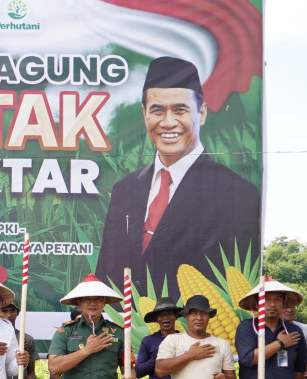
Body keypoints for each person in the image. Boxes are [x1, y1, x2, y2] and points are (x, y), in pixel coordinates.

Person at [94, 56, 261, 296]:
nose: (168, 122)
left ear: (201, 113)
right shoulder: (125, 189)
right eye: (157, 111)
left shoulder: (238, 193)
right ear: (144, 114)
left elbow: (239, 283)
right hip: (127, 330)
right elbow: (106, 275)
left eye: (180, 110)